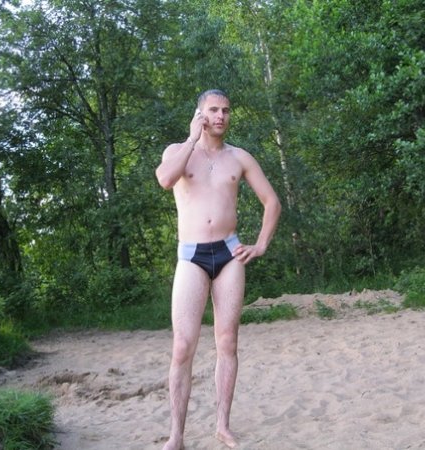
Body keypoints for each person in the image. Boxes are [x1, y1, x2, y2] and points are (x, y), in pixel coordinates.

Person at [155, 89, 281, 450]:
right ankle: (176, 435)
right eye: (213, 110)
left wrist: (261, 244)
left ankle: (222, 426)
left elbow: (272, 201)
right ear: (200, 114)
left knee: (227, 342)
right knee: (183, 346)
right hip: (191, 255)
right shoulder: (178, 151)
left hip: (229, 254)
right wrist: (190, 139)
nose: (221, 116)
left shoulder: (239, 157)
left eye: (226, 110)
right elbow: (165, 179)